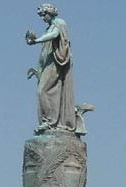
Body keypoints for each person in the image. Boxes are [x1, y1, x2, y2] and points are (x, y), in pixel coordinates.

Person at [26, 3, 76, 133]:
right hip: (48, 64)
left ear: (51, 13)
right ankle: (49, 121)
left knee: (42, 91)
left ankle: (49, 121)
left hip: (56, 63)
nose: (43, 18)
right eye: (41, 15)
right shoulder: (48, 28)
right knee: (46, 91)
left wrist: (37, 40)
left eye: (44, 14)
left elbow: (54, 35)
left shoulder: (59, 23)